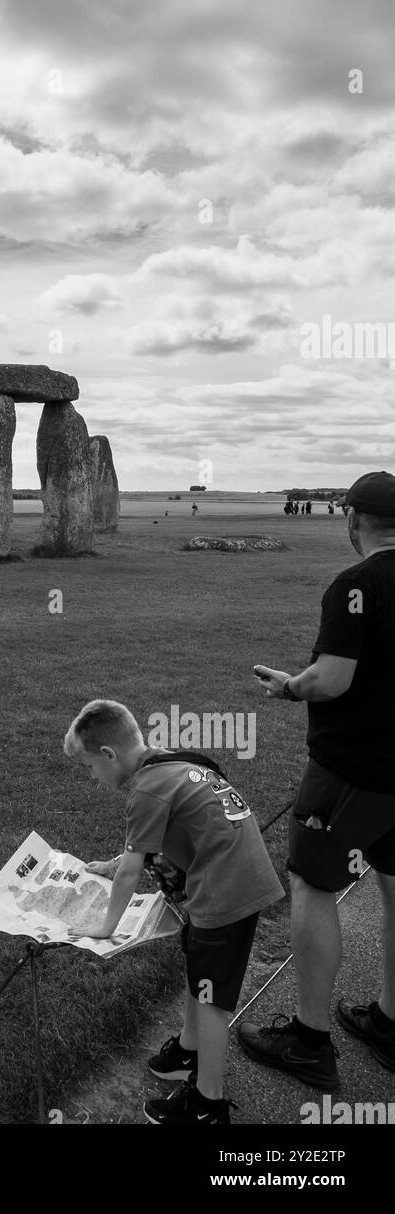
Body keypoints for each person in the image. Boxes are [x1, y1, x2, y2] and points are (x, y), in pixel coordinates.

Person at [63, 699, 284, 1124]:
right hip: (238, 877)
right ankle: (188, 1048)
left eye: (90, 767)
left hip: (225, 893)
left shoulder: (145, 789)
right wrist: (111, 865)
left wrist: (106, 926)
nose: (91, 776)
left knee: (212, 997)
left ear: (109, 755)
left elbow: (131, 873)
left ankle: (208, 1103)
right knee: (199, 971)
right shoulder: (167, 764)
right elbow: (146, 846)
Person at [246, 471, 395, 1090]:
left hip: (352, 772)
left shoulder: (355, 584)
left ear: (353, 521)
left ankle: (308, 1042)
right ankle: (391, 1024)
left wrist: (291, 685)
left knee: (311, 883)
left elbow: (331, 679)